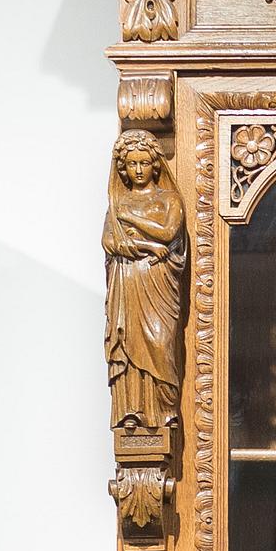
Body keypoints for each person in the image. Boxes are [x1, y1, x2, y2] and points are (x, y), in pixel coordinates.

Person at [104, 131, 187, 435]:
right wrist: (148, 248)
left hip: (158, 284)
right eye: (132, 164)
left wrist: (132, 219)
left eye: (143, 163)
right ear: (123, 168)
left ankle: (166, 411)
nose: (138, 171)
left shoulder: (169, 199)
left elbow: (168, 232)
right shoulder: (118, 203)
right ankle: (133, 414)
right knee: (128, 345)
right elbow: (110, 241)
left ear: (155, 164)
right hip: (128, 283)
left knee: (161, 343)